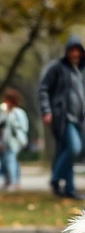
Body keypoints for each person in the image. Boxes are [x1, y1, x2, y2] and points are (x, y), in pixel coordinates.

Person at [39, 35, 85, 199]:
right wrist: (47, 110)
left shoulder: (81, 70)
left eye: (77, 51)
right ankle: (55, 178)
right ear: (67, 52)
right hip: (62, 116)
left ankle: (69, 189)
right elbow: (44, 89)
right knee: (73, 147)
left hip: (79, 118)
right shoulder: (57, 68)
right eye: (72, 50)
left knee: (66, 151)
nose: (75, 54)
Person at [0, 88, 29, 190]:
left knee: (11, 160)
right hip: (7, 142)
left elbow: (22, 127)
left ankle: (13, 182)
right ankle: (13, 181)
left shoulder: (18, 112)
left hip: (15, 141)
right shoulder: (5, 111)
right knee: (11, 160)